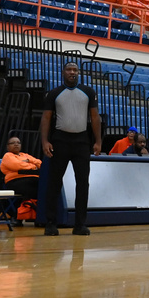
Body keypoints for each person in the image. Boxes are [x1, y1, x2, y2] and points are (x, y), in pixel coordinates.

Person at [41, 62, 102, 236]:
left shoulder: (88, 92)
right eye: (69, 69)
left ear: (79, 73)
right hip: (60, 140)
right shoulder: (54, 93)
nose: (72, 72)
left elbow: (95, 117)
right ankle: (51, 223)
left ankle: (80, 224)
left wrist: (98, 141)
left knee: (83, 183)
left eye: (75, 70)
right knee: (54, 183)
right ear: (63, 72)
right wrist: (45, 141)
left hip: (82, 141)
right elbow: (45, 118)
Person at [0, 135, 41, 202]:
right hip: (16, 180)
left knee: (47, 185)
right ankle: (30, 208)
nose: (16, 144)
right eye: (13, 143)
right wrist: (33, 167)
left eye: (18, 143)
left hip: (33, 178)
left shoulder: (25, 155)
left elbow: (40, 163)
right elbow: (17, 165)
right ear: (8, 147)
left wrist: (29, 161)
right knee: (36, 189)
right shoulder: (7, 156)